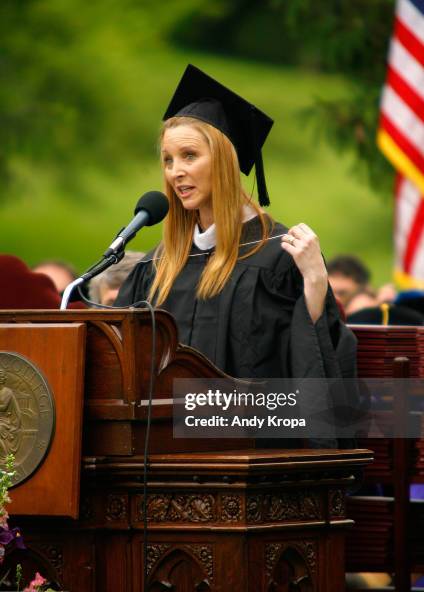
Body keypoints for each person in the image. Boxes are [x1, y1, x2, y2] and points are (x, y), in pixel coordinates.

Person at [115, 64, 357, 390]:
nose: (175, 172)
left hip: (248, 434)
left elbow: (316, 369)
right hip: (163, 436)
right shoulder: (158, 265)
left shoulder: (279, 256)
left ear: (225, 162)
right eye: (168, 160)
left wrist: (315, 283)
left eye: (189, 155)